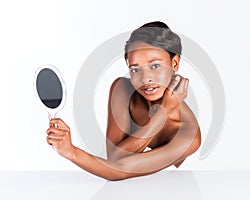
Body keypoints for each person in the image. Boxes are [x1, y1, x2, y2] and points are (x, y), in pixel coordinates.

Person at [46, 21, 201, 181]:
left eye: (155, 66)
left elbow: (119, 169)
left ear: (174, 63)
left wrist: (70, 151)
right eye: (135, 69)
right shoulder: (123, 89)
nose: (145, 78)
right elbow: (114, 159)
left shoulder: (188, 134)